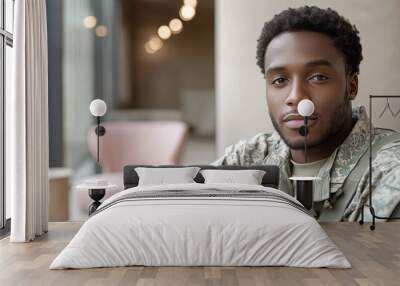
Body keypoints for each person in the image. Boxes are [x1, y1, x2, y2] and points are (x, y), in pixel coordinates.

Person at [212, 6, 400, 221]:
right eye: (280, 80)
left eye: (318, 77)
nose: (296, 97)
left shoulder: (389, 171)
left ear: (352, 85)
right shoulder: (248, 157)